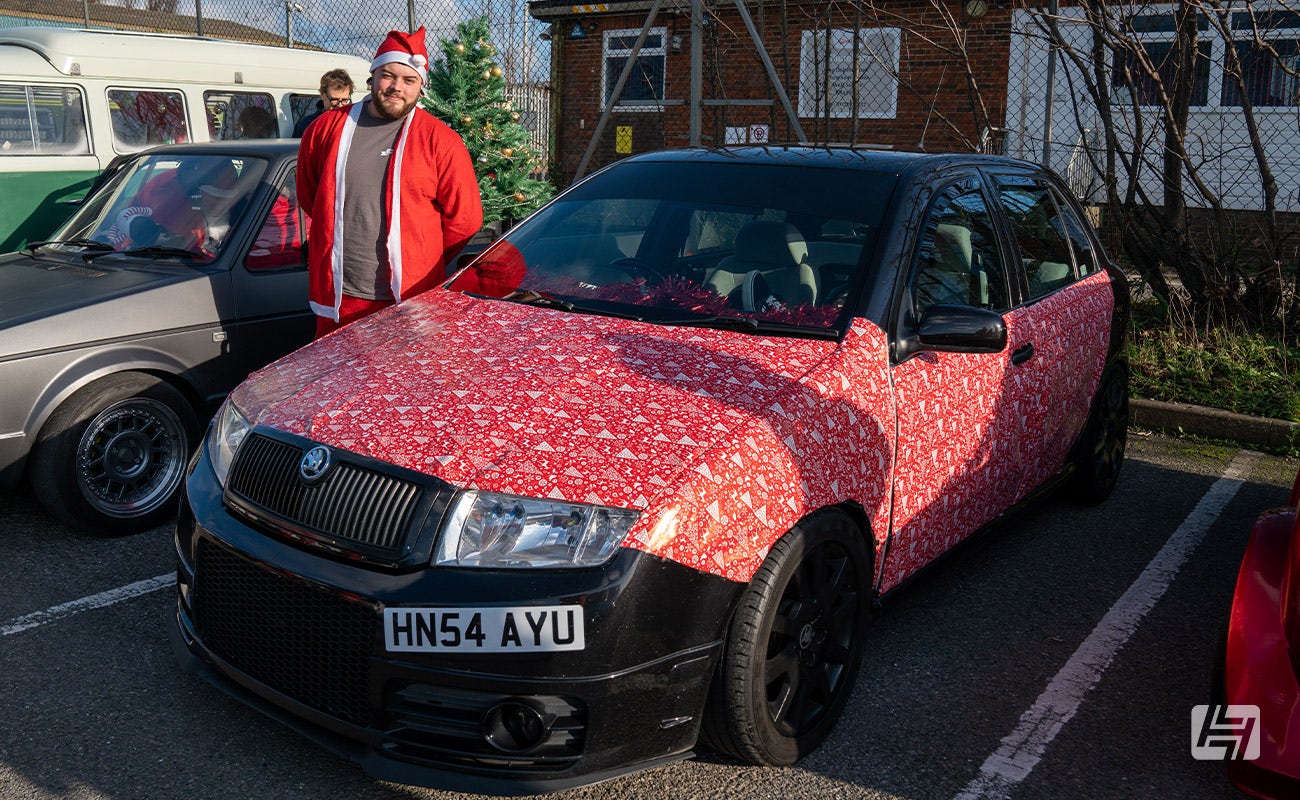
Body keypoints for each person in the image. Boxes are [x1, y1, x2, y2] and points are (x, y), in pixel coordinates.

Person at [297, 27, 483, 338]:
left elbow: (465, 220)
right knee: (337, 386)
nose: (396, 87)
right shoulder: (326, 129)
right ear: (372, 76)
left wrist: (420, 253)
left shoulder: (441, 140)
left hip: (410, 303)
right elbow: (311, 197)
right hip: (339, 299)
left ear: (420, 87)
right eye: (388, 75)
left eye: (409, 80)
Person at [292, 68, 356, 138]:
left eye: (344, 100)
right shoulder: (306, 126)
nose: (340, 105)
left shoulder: (353, 123)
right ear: (322, 95)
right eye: (334, 100)